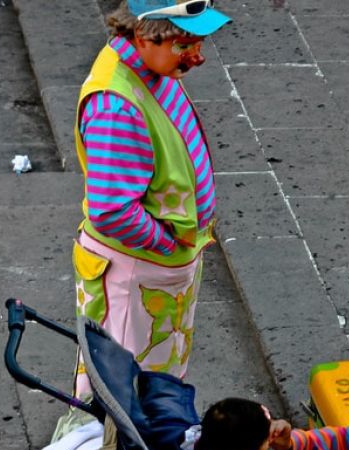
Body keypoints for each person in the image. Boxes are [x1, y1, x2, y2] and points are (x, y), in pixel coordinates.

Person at [70, 0, 232, 398]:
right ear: (143, 36)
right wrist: (168, 243)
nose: (197, 57)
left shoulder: (150, 69)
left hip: (156, 271)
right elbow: (111, 211)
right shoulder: (116, 108)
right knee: (124, 396)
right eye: (185, 43)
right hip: (135, 274)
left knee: (155, 387)